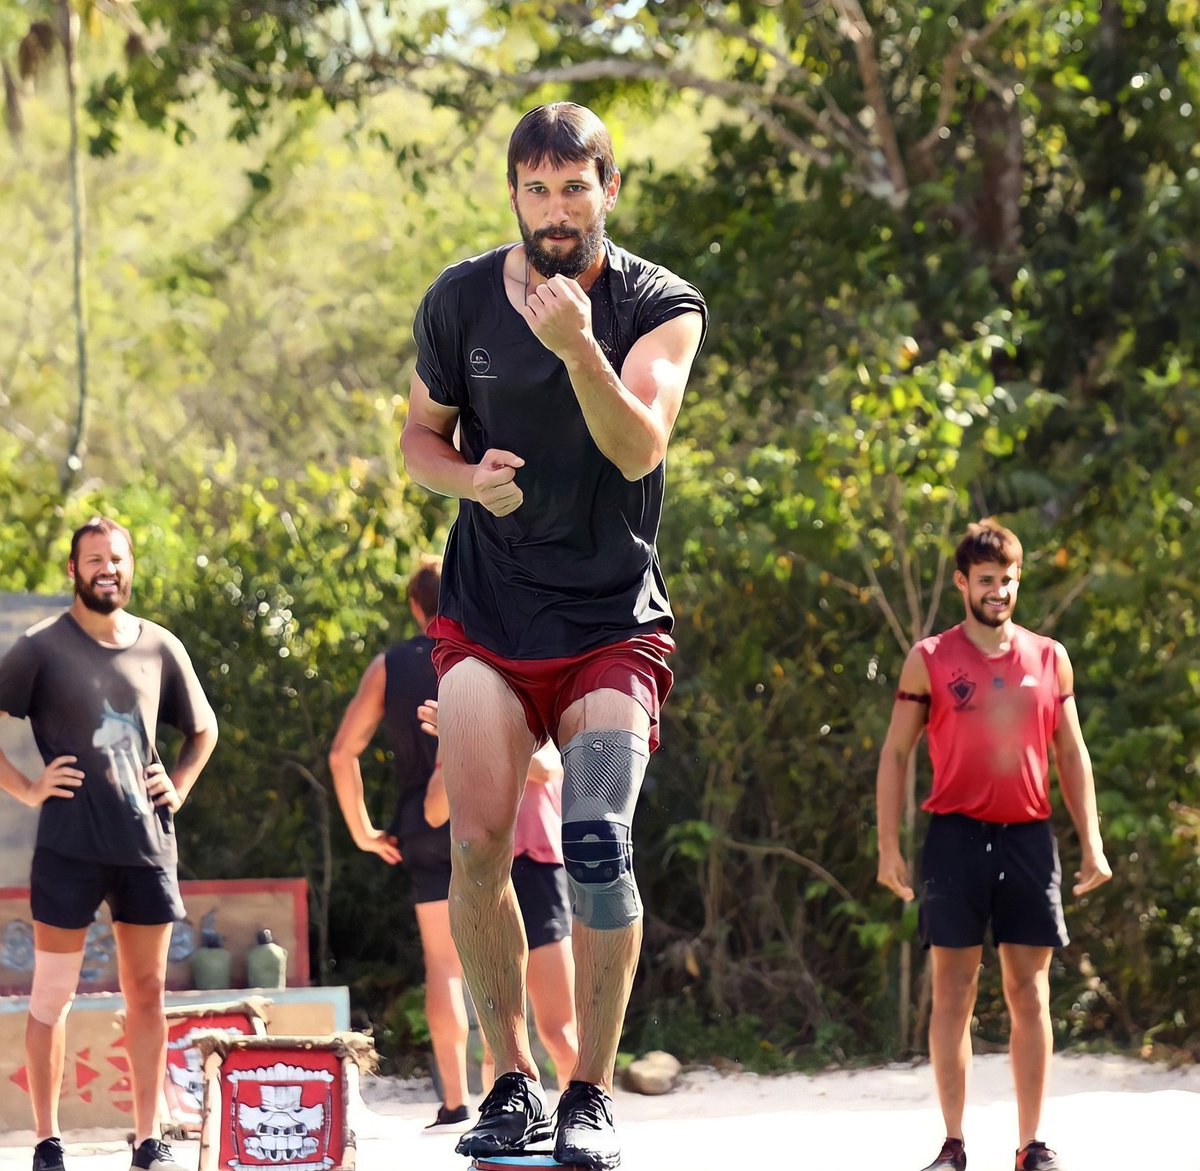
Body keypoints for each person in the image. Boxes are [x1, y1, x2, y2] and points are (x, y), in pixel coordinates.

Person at [400, 101, 707, 1170]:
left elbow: (638, 449)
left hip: (610, 624)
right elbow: (418, 440)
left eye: (576, 187)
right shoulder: (458, 299)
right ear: (516, 194)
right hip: (488, 616)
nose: (556, 209)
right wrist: (465, 481)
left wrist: (579, 349)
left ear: (608, 191)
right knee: (477, 844)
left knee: (592, 841)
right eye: (537, 188)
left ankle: (589, 1091)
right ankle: (509, 1082)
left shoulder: (658, 303)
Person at [875, 520, 1112, 1171]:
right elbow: (896, 753)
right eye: (987, 580)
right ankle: (953, 1145)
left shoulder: (1049, 656)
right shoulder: (930, 657)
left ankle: (1031, 1144)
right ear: (962, 583)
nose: (999, 590)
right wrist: (887, 847)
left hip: (1029, 838)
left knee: (1029, 992)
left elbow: (1072, 751)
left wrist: (1091, 841)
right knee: (952, 992)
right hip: (954, 838)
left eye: (1007, 578)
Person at [328, 558, 579, 1133]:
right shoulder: (494, 656)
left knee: (452, 971)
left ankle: (460, 1100)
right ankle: (510, 1107)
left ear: (417, 608)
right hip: (481, 825)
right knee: (503, 985)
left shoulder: (396, 665)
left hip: (455, 831)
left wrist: (364, 829)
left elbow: (343, 753)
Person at [0, 517, 218, 1171]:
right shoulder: (39, 647)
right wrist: (29, 789)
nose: (107, 569)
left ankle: (148, 1140)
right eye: (93, 559)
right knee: (52, 994)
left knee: (146, 991)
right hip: (68, 846)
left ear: (129, 567)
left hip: (145, 844)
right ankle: (46, 1140)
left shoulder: (159, 646)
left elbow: (202, 729)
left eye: (116, 559)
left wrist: (178, 783)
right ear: (73, 570)